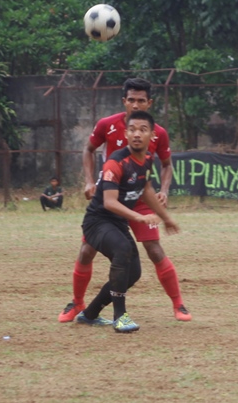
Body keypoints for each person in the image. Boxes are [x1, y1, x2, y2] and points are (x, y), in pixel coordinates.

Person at [59, 77, 191, 323]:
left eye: (141, 100)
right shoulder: (107, 126)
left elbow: (164, 166)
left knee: (153, 249)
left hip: (138, 196)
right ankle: (78, 304)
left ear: (149, 103)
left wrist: (164, 192)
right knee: (88, 250)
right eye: (131, 100)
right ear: (124, 102)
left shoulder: (157, 133)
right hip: (109, 198)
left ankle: (179, 305)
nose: (136, 105)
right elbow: (88, 149)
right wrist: (89, 181)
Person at [74, 110, 180, 332]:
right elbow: (110, 203)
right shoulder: (116, 162)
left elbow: (147, 189)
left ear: (152, 135)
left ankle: (90, 313)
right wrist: (140, 217)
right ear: (126, 133)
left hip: (116, 223)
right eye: (132, 129)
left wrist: (166, 218)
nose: (136, 134)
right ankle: (120, 317)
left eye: (143, 130)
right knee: (122, 249)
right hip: (97, 221)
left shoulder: (147, 159)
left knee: (134, 272)